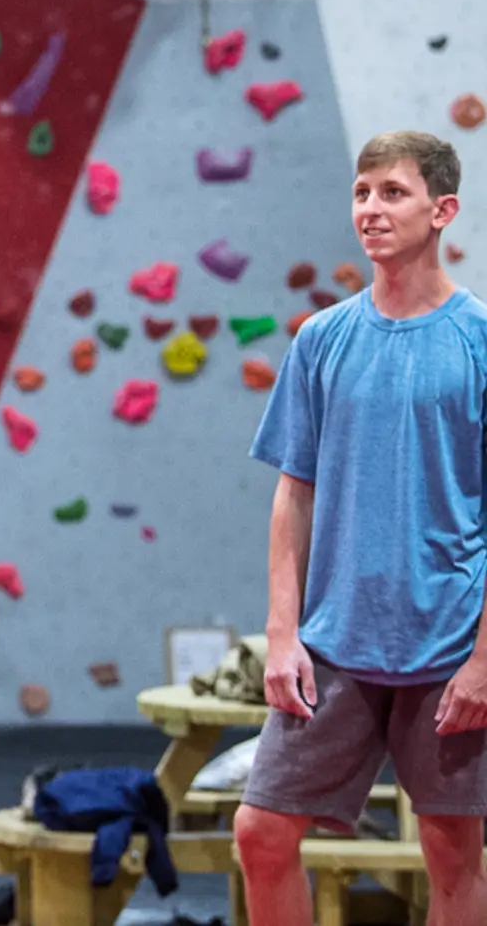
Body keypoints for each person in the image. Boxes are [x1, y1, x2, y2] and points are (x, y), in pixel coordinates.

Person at [233, 132, 487, 926]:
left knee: (452, 852)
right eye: (362, 193)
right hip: (335, 644)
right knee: (260, 833)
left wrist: (485, 659)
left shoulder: (480, 341)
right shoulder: (321, 340)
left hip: (449, 643)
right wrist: (282, 635)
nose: (371, 209)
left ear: (442, 210)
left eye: (393, 193)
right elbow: (293, 495)